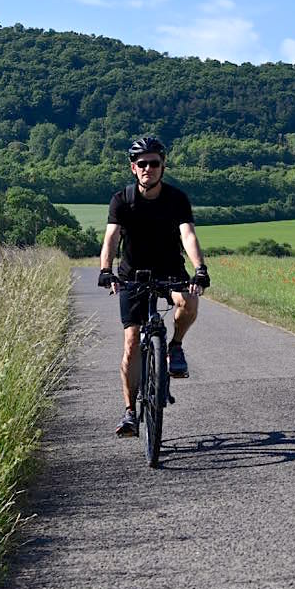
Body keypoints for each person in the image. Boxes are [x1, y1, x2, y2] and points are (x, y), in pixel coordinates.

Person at [97, 135, 210, 437]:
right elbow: (111, 237)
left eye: (154, 163)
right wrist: (105, 270)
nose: (148, 168)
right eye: (142, 164)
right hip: (132, 273)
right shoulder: (123, 199)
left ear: (163, 166)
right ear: (133, 168)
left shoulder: (176, 199)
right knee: (132, 343)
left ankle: (175, 346)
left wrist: (200, 269)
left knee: (188, 301)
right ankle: (130, 412)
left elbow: (188, 235)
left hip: (170, 268)